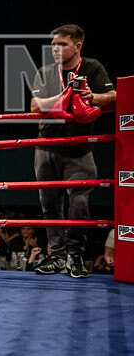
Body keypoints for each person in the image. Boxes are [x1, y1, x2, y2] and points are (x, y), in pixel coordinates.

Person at [30, 24, 116, 278]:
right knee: (49, 204)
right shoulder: (46, 72)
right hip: (46, 146)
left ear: (78, 46)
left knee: (79, 203)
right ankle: (56, 256)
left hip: (79, 149)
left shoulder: (92, 68)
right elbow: (36, 105)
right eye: (53, 44)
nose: (55, 48)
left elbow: (113, 96)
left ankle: (75, 256)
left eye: (62, 44)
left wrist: (92, 98)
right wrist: (64, 98)